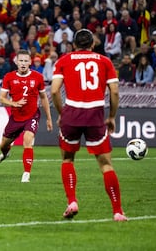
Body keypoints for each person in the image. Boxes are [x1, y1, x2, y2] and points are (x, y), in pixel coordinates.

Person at [51, 29, 127, 222]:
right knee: (106, 165)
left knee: (68, 160)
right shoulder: (105, 61)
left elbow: (53, 92)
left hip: (72, 114)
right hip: (95, 115)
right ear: (93, 44)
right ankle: (117, 211)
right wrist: (111, 117)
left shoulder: (64, 60)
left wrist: (62, 114)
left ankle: (72, 201)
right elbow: (115, 92)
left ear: (74, 45)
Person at [0, 49, 53, 183]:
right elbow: (2, 98)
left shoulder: (37, 77)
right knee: (3, 145)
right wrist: (14, 103)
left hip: (32, 115)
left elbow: (44, 98)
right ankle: (4, 155)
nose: (23, 63)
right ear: (16, 62)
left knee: (27, 140)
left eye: (26, 61)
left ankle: (26, 173)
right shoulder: (9, 77)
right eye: (21, 61)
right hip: (15, 118)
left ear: (30, 62)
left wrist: (48, 118)